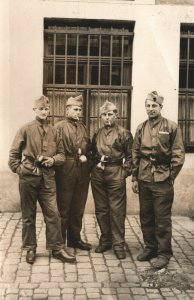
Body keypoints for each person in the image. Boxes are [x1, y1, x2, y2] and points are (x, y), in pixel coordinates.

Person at [8, 95, 76, 264]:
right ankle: (30, 248)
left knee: (53, 214)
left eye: (46, 109)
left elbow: (62, 155)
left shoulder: (54, 131)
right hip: (29, 178)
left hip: (47, 178)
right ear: (34, 110)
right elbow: (13, 156)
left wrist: (52, 160)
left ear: (49, 110)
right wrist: (20, 170)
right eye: (41, 109)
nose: (44, 112)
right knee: (28, 215)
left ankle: (57, 248)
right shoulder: (25, 129)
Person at [132, 91, 185, 269]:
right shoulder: (141, 127)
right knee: (146, 216)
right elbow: (136, 153)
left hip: (163, 179)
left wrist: (170, 176)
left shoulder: (171, 126)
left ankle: (164, 253)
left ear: (161, 107)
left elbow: (178, 154)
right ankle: (150, 248)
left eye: (154, 106)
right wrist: (134, 177)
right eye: (148, 105)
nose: (150, 109)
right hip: (144, 177)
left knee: (162, 218)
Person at [91, 100, 133, 260]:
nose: (107, 118)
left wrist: (124, 172)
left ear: (116, 115)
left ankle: (118, 244)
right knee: (101, 208)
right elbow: (91, 153)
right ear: (100, 116)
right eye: (104, 115)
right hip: (98, 172)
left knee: (116, 210)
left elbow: (131, 156)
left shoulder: (124, 133)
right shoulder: (97, 133)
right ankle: (106, 239)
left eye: (110, 114)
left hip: (116, 171)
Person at [54, 94, 92, 251]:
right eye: (76, 109)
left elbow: (89, 148)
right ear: (67, 109)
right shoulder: (59, 127)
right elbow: (54, 150)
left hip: (82, 172)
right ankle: (60, 242)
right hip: (65, 170)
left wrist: (86, 158)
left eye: (80, 110)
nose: (79, 112)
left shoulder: (83, 127)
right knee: (63, 208)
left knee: (78, 207)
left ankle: (75, 239)